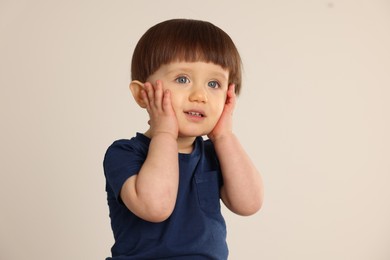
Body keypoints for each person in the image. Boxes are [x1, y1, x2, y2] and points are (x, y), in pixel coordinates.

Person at [103, 18, 264, 260]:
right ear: (142, 95)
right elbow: (156, 207)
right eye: (182, 79)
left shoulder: (215, 154)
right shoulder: (124, 153)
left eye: (213, 84)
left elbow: (249, 203)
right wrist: (165, 132)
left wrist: (223, 136)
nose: (200, 95)